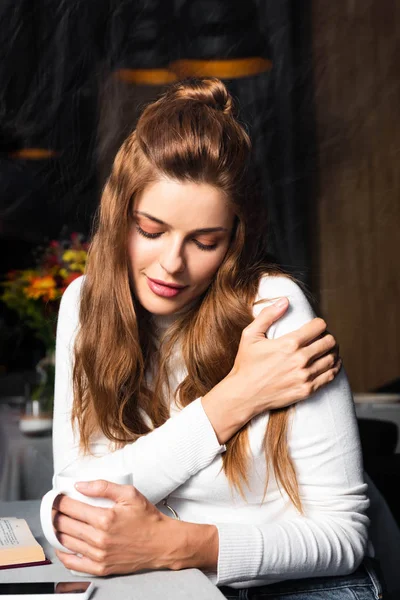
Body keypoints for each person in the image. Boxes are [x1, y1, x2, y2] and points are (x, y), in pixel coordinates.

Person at [51, 78, 382, 599]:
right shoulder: (84, 303)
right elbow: (72, 500)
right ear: (121, 214)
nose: (172, 264)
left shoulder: (274, 310)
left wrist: (180, 545)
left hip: (298, 586)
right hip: (171, 582)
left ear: (234, 239)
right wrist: (231, 401)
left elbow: (345, 536)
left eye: (205, 241)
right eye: (151, 229)